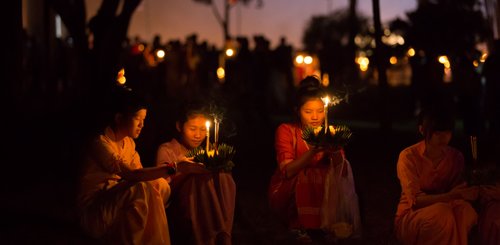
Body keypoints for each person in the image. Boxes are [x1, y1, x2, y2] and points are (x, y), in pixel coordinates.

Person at [77, 87, 175, 244]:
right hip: (95, 212)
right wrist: (170, 168)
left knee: (160, 185)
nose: (142, 125)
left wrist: (165, 174)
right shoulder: (100, 143)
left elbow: (142, 174)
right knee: (141, 188)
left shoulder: (129, 143)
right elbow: (133, 175)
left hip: (118, 202)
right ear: (119, 118)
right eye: (137, 119)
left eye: (144, 120)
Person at [267, 76, 355, 243]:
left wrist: (335, 149)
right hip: (289, 188)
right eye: (308, 112)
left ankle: (326, 225)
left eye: (320, 111)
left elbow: (341, 172)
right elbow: (288, 171)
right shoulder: (286, 130)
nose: (315, 117)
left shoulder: (330, 132)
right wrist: (313, 150)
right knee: (306, 176)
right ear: (297, 112)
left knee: (325, 176)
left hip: (324, 190)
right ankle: (298, 226)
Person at [394, 107, 479, 245]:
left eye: (447, 132)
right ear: (422, 130)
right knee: (442, 214)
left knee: (466, 212)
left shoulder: (456, 157)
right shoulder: (408, 157)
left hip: (447, 208)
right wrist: (452, 196)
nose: (444, 138)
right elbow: (416, 201)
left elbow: (458, 190)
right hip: (413, 214)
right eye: (438, 133)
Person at [156, 100, 236, 245]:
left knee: (223, 175)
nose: (198, 135)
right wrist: (187, 170)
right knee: (199, 180)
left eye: (203, 130)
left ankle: (224, 234)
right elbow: (161, 184)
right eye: (193, 129)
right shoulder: (167, 149)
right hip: (183, 204)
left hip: (211, 204)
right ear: (179, 126)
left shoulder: (210, 150)